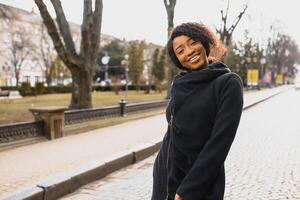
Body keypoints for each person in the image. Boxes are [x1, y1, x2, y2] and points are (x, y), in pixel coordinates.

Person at [151, 22, 244, 200]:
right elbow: (172, 133)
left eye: (193, 42)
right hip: (165, 175)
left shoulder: (228, 83)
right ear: (177, 60)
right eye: (180, 51)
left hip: (200, 183)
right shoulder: (180, 84)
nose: (189, 51)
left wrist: (187, 190)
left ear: (203, 41)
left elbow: (219, 144)